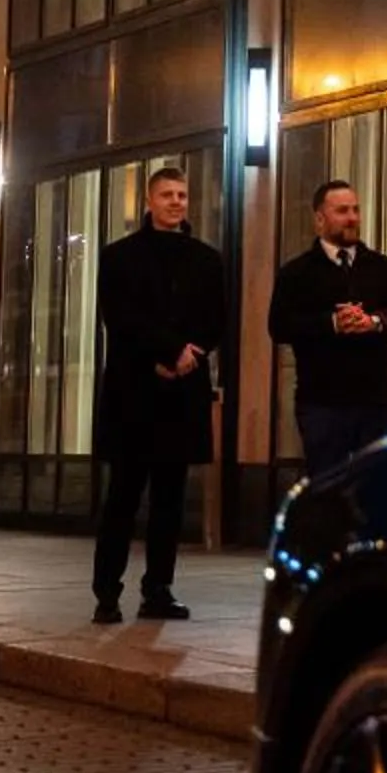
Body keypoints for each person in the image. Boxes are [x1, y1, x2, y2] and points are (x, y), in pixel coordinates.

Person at [92, 164, 226, 626]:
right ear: (149, 202)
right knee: (123, 497)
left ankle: (159, 589)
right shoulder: (118, 256)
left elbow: (216, 319)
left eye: (182, 195)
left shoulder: (207, 259)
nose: (176, 202)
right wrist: (166, 352)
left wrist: (191, 353)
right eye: (167, 195)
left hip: (181, 394)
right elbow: (121, 317)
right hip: (135, 391)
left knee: (170, 499)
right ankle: (107, 592)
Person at [268, 178, 387, 479]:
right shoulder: (296, 273)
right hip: (322, 402)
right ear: (320, 219)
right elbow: (280, 327)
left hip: (377, 401)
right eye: (342, 211)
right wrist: (331, 323)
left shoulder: (383, 267)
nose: (352, 218)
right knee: (327, 487)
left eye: (355, 210)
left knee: (380, 483)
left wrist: (375, 322)